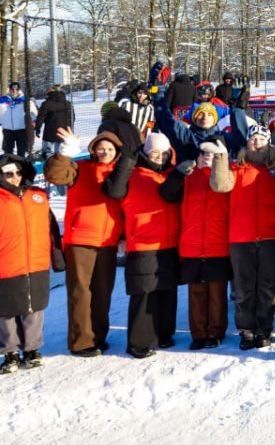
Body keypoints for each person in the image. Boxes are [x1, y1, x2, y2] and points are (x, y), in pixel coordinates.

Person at [44, 129, 125, 356]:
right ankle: (81, 341)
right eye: (101, 147)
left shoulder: (120, 173)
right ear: (93, 149)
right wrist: (65, 152)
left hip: (108, 241)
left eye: (109, 149)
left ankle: (98, 336)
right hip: (80, 239)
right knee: (81, 292)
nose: (104, 152)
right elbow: (55, 175)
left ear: (116, 151)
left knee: (102, 291)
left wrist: (124, 235)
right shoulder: (80, 169)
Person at [102, 131, 181, 358]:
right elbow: (114, 191)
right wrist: (128, 159)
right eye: (153, 152)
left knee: (167, 290)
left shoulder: (172, 174)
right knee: (144, 293)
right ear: (145, 153)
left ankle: (164, 334)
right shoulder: (132, 173)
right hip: (142, 241)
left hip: (170, 241)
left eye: (163, 153)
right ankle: (139, 342)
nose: (158, 157)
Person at [211, 123, 275, 350]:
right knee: (243, 287)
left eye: (262, 139)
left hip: (272, 235)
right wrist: (221, 157)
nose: (257, 142)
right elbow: (220, 185)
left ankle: (264, 330)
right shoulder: (236, 168)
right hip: (241, 236)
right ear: (247, 142)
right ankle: (246, 330)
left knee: (267, 286)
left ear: (268, 142)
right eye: (253, 139)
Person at [160, 140, 233, 349]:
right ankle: (198, 334)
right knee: (196, 293)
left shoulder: (226, 178)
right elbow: (168, 194)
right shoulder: (188, 177)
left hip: (218, 244)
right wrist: (179, 174)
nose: (207, 156)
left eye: (212, 153)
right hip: (192, 244)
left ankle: (216, 332)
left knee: (217, 294)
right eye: (203, 153)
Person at [0, 155, 57, 373]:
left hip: (36, 263)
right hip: (6, 263)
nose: (14, 177)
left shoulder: (39, 195)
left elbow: (51, 228)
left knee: (34, 308)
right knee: (6, 310)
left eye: (18, 172)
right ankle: (10, 351)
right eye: (8, 173)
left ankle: (32, 349)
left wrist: (57, 257)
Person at [0, 82, 32, 157]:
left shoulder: (25, 100)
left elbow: (33, 113)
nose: (14, 91)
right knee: (8, 151)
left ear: (19, 90)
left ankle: (21, 166)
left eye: (16, 89)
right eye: (12, 89)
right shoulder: (3, 100)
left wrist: (31, 122)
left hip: (21, 129)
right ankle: (9, 166)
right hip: (7, 129)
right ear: (10, 89)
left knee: (21, 150)